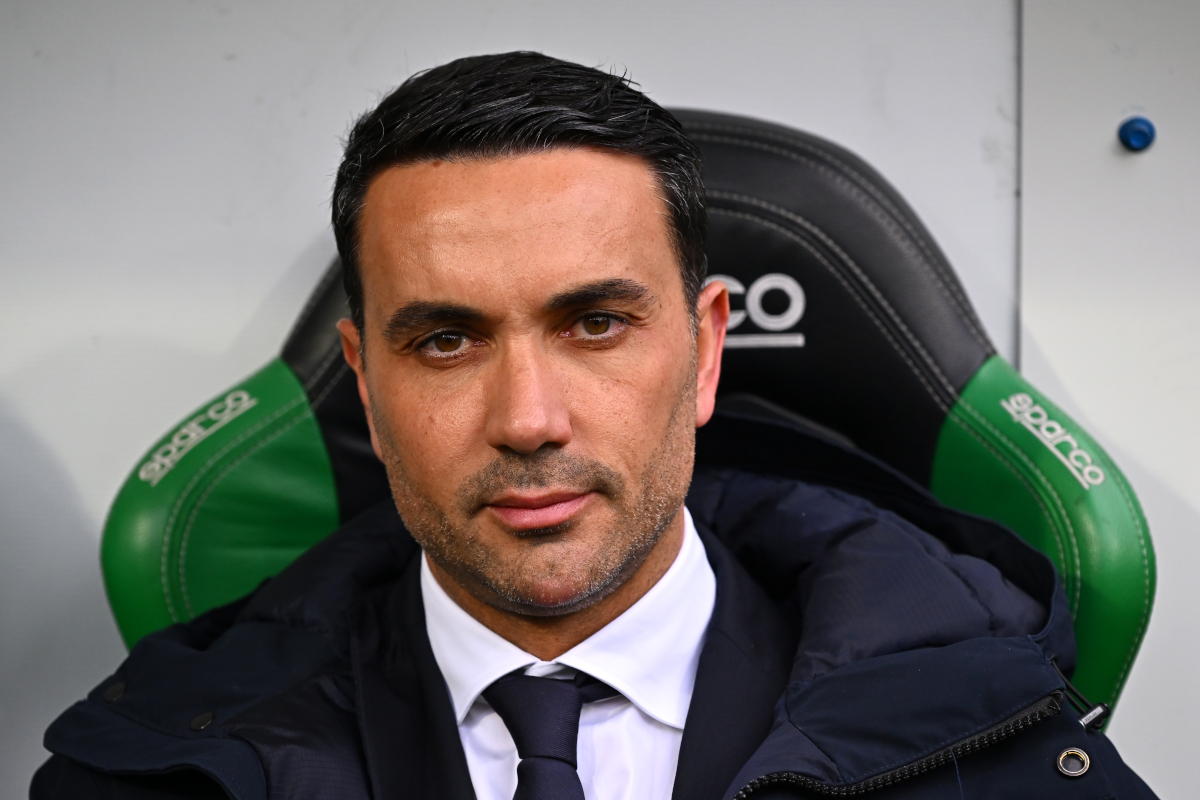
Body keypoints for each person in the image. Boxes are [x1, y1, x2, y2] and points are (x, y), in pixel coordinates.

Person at [32, 52, 1156, 800]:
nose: (528, 419)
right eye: (445, 341)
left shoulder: (1006, 758)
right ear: (366, 388)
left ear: (708, 350)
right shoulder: (146, 771)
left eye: (597, 323)